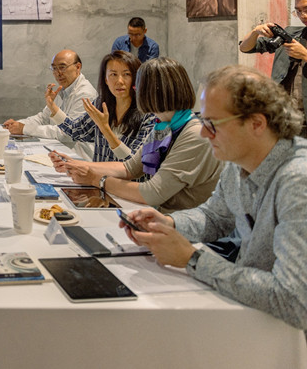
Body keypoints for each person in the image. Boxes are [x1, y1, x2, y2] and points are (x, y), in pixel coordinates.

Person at [123, 65, 307, 334]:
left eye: (213, 124)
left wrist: (192, 259)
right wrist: (168, 223)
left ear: (257, 123)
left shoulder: (297, 181)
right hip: (255, 314)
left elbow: (294, 299)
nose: (203, 133)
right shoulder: (238, 162)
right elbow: (214, 216)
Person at [52, 57, 222, 213]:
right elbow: (130, 168)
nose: (134, 91)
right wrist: (76, 165)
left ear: (152, 92)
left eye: (137, 86)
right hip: (157, 215)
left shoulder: (194, 134)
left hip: (176, 221)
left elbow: (152, 193)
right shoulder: (163, 125)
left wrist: (97, 180)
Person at [47, 51, 155, 162]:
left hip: (119, 174)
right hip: (97, 173)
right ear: (106, 79)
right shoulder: (101, 104)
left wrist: (105, 129)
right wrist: (52, 107)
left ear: (137, 78)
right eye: (113, 74)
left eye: (126, 74)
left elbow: (134, 163)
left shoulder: (149, 115)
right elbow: (77, 131)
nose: (119, 81)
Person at [239, 0, 307, 136]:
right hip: (284, 117)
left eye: (306, 9)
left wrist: (305, 55)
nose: (303, 15)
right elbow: (245, 48)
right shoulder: (292, 34)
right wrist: (256, 32)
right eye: (298, 11)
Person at [2, 49, 98, 158]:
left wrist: (24, 129)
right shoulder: (64, 89)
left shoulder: (85, 94)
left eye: (62, 67)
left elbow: (67, 134)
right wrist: (16, 125)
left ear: (78, 67)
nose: (58, 73)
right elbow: (43, 118)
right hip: (60, 150)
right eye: (54, 68)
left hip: (78, 157)